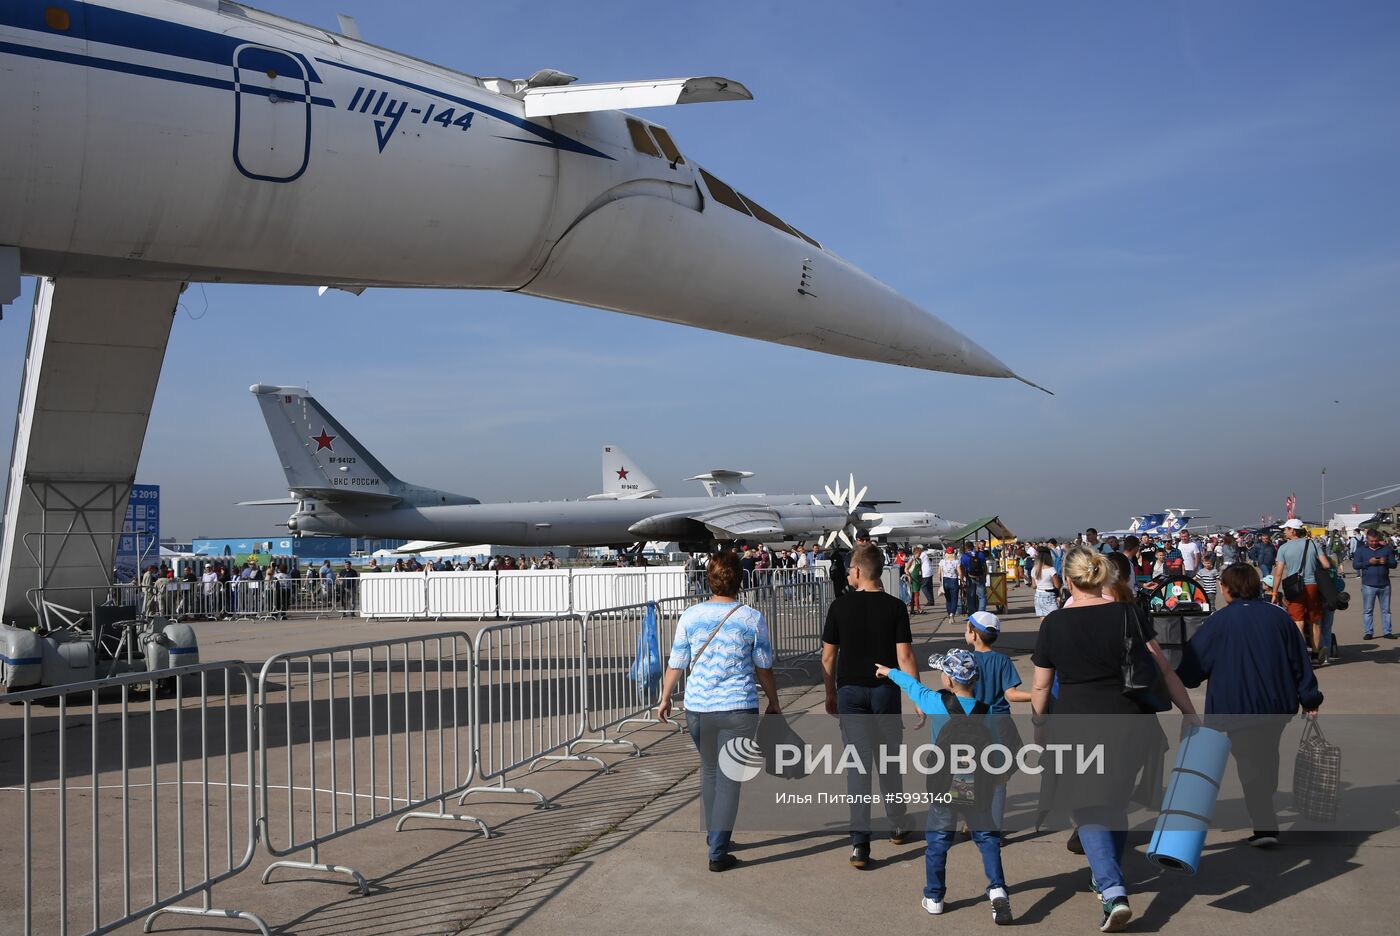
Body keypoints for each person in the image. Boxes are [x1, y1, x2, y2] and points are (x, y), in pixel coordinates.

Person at [1030, 547, 1198, 933]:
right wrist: (1189, 711)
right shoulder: (1129, 612)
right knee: (1115, 802)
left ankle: (1112, 889)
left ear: (1068, 582)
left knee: (1086, 808)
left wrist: (1040, 724)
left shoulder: (1053, 624)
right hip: (1132, 722)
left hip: (1078, 725)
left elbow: (1041, 685)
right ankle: (1109, 874)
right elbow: (1163, 667)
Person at [1176, 563, 1322, 846]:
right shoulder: (1279, 618)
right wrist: (1310, 697)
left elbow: (1193, 667)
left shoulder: (1217, 622)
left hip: (1236, 707)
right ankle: (1265, 811)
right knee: (1265, 756)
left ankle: (1265, 825)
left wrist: (1185, 679)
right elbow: (1299, 662)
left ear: (1227, 589)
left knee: (1251, 764)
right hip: (1277, 705)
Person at [656, 550, 779, 872]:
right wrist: (774, 701)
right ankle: (718, 851)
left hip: (698, 707)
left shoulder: (691, 616)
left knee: (710, 772)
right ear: (740, 579)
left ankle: (716, 837)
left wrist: (665, 697)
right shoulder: (751, 618)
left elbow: (677, 662)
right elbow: (764, 666)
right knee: (729, 779)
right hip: (738, 706)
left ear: (708, 579)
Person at [877, 649, 1012, 924]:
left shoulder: (936, 702)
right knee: (987, 838)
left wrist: (888, 671)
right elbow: (997, 753)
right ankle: (997, 889)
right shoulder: (987, 712)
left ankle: (935, 896)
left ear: (948, 680)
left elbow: (912, 686)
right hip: (977, 784)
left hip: (944, 782)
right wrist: (998, 781)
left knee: (938, 841)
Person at [821, 543, 919, 868]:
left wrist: (829, 693)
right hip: (884, 690)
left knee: (858, 765)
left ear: (860, 571)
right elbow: (904, 656)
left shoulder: (840, 607)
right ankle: (896, 821)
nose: (848, 573)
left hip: (850, 690)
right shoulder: (895, 607)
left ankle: (860, 843)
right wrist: (917, 694)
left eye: (850, 568)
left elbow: (828, 656)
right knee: (889, 759)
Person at [964, 610, 1030, 829]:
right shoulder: (1002, 660)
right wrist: (1036, 695)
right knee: (999, 778)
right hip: (999, 723)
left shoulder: (964, 659)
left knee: (967, 773)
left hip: (971, 723)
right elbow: (1010, 694)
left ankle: (969, 822)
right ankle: (994, 829)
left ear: (973, 634)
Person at [1270, 519, 1332, 658]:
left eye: (1286, 529)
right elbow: (1326, 564)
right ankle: (1316, 653)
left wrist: (1274, 592)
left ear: (1293, 530)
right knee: (1314, 620)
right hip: (1313, 585)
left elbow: (1278, 573)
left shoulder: (1283, 548)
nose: (1284, 531)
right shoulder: (1313, 543)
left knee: (1298, 620)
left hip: (1294, 587)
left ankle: (1302, 654)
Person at [1352, 527, 1396, 639]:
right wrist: (1368, 562)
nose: (1374, 543)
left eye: (1376, 541)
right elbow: (1356, 565)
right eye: (1371, 541)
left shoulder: (1386, 549)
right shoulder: (1361, 550)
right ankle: (1368, 632)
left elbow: (1394, 564)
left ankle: (1387, 631)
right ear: (1367, 539)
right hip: (1368, 585)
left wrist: (1386, 562)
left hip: (1385, 584)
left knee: (1386, 610)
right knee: (1368, 610)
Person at [1032, 546, 1061, 618]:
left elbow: (1033, 586)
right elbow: (1057, 585)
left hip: (1038, 595)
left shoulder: (1034, 569)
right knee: (1055, 618)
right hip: (1049, 596)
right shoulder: (1051, 569)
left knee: (1043, 620)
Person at [939, 546, 962, 620]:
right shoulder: (956, 561)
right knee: (954, 599)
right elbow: (960, 573)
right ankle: (952, 614)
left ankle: (949, 614)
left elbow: (939, 573)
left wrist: (940, 581)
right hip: (954, 581)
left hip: (945, 580)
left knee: (948, 599)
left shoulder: (942, 562)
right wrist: (962, 580)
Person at [905, 545, 924, 615]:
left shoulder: (919, 560)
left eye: (920, 553)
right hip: (914, 578)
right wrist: (909, 576)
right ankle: (918, 608)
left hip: (918, 578)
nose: (920, 554)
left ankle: (912, 609)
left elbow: (920, 569)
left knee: (914, 594)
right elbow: (906, 569)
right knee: (916, 594)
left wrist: (921, 577)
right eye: (919, 553)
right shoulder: (912, 559)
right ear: (915, 553)